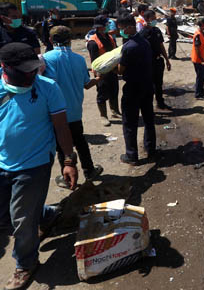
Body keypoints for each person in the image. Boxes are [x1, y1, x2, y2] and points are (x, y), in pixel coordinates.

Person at [0, 42, 78, 289]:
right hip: (1, 164)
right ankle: (45, 214)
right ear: (4, 67)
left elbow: (61, 127)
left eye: (34, 69)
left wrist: (68, 160)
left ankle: (25, 263)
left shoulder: (48, 88)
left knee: (21, 220)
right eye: (25, 71)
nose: (31, 75)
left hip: (36, 163)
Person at [42, 26, 104, 188]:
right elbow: (87, 84)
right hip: (75, 110)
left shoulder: (47, 59)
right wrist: (97, 78)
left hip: (56, 113)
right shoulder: (78, 59)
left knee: (62, 146)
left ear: (50, 40)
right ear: (70, 40)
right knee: (80, 141)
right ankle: (89, 170)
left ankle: (68, 177)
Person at [116, 13, 156, 165]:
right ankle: (150, 149)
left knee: (129, 122)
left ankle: (131, 155)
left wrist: (111, 68)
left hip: (133, 88)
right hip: (147, 85)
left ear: (130, 27)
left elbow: (120, 70)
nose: (121, 31)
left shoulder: (128, 47)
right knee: (148, 119)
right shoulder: (144, 42)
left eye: (122, 28)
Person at [86, 15, 120, 127]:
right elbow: (94, 60)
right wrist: (98, 75)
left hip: (112, 69)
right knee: (102, 93)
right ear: (99, 27)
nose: (107, 26)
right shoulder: (93, 42)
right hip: (102, 71)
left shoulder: (109, 37)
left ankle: (115, 111)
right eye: (105, 25)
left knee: (114, 90)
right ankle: (103, 116)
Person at [140, 10, 172, 110]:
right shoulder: (142, 34)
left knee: (159, 84)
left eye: (155, 18)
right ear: (146, 19)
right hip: (149, 63)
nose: (155, 20)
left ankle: (160, 103)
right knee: (149, 86)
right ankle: (148, 106)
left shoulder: (157, 30)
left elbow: (161, 46)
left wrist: (167, 60)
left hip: (158, 62)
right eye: (152, 19)